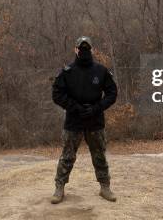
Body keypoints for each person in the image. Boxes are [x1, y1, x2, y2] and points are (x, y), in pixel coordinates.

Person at [50, 36, 118, 204]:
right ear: (76, 50)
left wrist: (97, 107)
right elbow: (57, 95)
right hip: (74, 121)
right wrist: (74, 107)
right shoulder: (67, 72)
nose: (84, 51)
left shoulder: (101, 71)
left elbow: (112, 93)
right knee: (67, 156)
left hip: (95, 120)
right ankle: (59, 188)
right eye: (82, 48)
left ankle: (105, 187)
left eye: (87, 49)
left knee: (99, 155)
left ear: (92, 50)